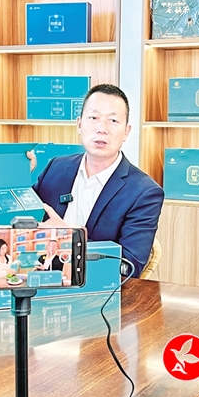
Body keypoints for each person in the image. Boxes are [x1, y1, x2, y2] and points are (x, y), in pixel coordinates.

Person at [31, 84, 164, 277]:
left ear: (126, 132)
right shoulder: (56, 167)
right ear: (79, 125)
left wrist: (67, 236)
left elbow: (128, 267)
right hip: (38, 278)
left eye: (113, 120)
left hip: (95, 288)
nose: (102, 129)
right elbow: (19, 222)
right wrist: (19, 178)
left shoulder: (144, 193)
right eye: (94, 118)